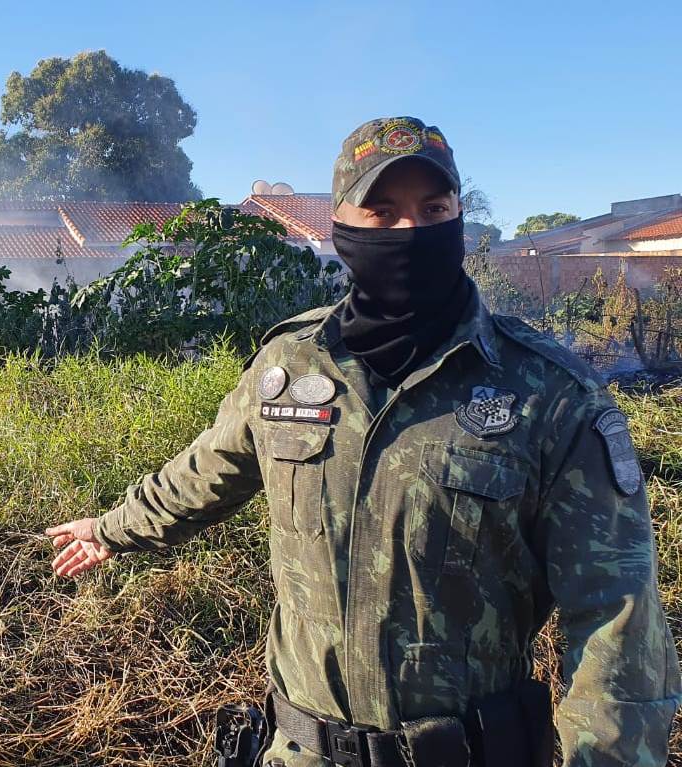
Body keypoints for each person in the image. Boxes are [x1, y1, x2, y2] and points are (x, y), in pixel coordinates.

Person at [45, 117, 681, 767]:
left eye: (433, 209)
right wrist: (113, 527)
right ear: (341, 226)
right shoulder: (289, 366)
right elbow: (209, 469)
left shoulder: (550, 394)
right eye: (382, 211)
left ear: (459, 216)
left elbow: (617, 625)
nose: (410, 231)